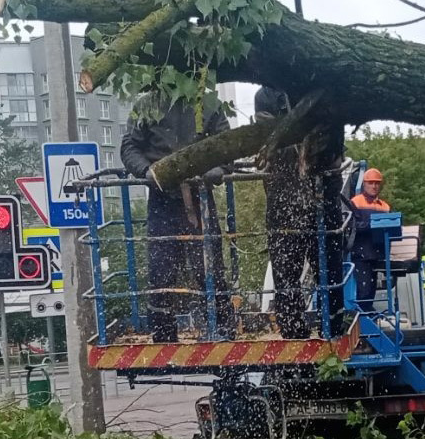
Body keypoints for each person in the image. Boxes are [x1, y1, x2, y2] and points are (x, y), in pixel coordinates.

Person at [122, 90, 235, 341]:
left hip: (200, 197)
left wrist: (219, 169)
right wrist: (146, 171)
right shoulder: (148, 104)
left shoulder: (209, 104)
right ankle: (163, 334)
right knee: (161, 270)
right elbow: (129, 146)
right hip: (162, 198)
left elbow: (227, 145)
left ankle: (222, 330)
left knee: (209, 267)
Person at [255, 87, 347, 338]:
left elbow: (332, 140)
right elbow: (269, 139)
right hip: (282, 195)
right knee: (285, 265)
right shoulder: (266, 96)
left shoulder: (321, 91)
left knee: (328, 263)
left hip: (323, 192)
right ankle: (292, 326)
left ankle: (333, 323)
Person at [347, 168, 392, 313]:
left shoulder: (385, 207)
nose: (374, 186)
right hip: (361, 255)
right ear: (364, 184)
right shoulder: (355, 202)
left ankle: (366, 314)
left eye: (377, 183)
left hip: (377, 254)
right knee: (364, 290)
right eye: (371, 183)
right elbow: (352, 226)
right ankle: (362, 317)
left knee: (371, 291)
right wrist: (372, 225)